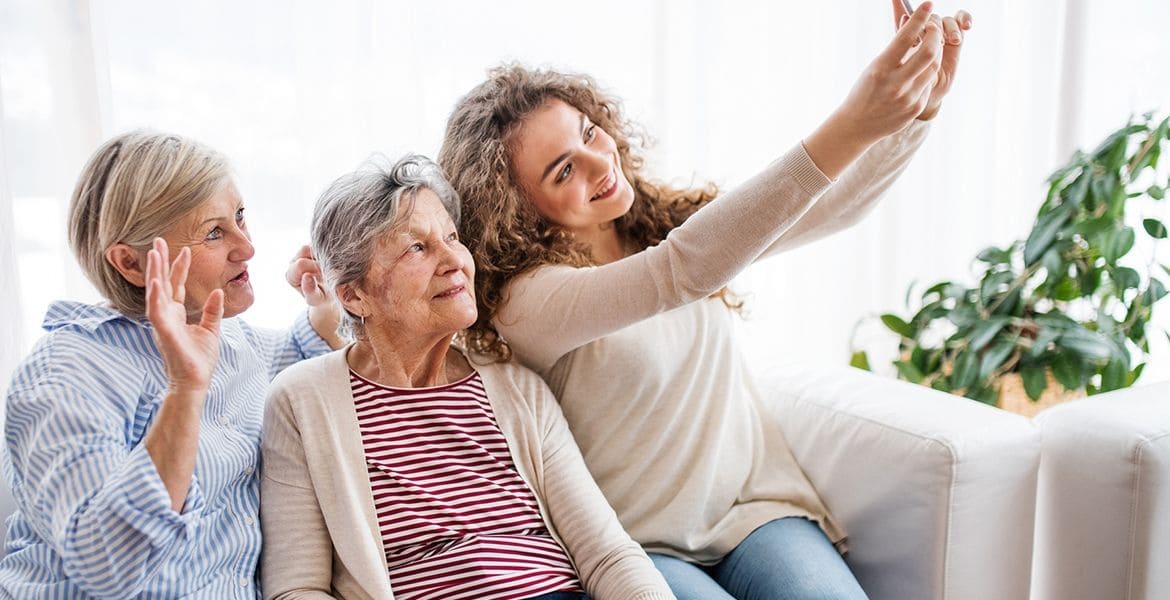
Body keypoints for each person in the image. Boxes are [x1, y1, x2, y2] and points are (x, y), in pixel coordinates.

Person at [436, 2, 973, 598]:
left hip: (757, 514)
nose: (599, 162)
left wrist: (918, 110)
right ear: (518, 209)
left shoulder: (664, 222)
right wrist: (854, 119)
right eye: (564, 171)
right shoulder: (530, 299)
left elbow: (833, 206)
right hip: (633, 546)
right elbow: (679, 272)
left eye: (589, 134)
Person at [259, 154, 673, 600]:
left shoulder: (517, 388)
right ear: (355, 295)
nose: (454, 260)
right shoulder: (302, 401)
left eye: (452, 237)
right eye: (417, 247)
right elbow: (296, 589)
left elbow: (608, 555)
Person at [0, 131, 342, 598]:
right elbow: (108, 567)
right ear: (132, 264)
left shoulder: (229, 334)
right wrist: (185, 389)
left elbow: (291, 366)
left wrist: (325, 315)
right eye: (214, 232)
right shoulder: (64, 376)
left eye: (240, 217)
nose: (247, 248)